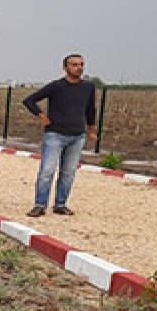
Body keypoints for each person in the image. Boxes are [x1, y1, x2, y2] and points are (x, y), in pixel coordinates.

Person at [21, 54, 98, 217]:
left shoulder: (88, 87)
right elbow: (29, 100)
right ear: (65, 67)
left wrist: (91, 129)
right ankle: (40, 205)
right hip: (55, 135)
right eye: (74, 64)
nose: (79, 67)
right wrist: (40, 115)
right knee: (47, 170)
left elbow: (91, 109)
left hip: (77, 136)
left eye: (81, 64)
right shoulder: (56, 87)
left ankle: (60, 204)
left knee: (68, 172)